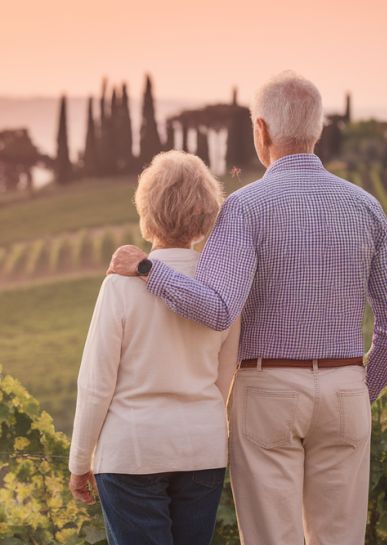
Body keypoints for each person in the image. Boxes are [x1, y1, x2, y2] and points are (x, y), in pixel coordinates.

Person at [108, 70, 387, 545]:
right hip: (346, 389)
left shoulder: (245, 207)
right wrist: (358, 388)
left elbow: (217, 310)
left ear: (261, 130)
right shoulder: (366, 207)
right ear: (317, 128)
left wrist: (149, 270)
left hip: (268, 391)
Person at [68, 150, 240, 545]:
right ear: (206, 215)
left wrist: (79, 462)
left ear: (147, 212)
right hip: (203, 451)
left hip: (132, 452)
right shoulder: (223, 288)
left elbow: (95, 385)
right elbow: (224, 379)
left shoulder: (120, 284)